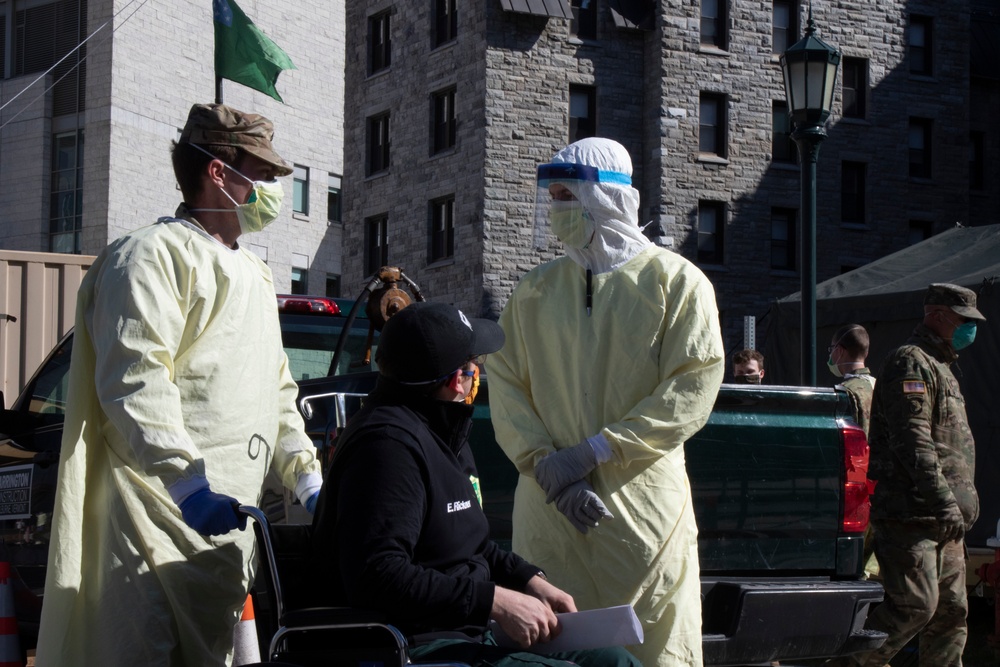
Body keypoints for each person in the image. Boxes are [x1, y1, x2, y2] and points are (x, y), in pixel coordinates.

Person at [36, 103, 323, 667]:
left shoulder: (256, 274)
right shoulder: (149, 256)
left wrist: (306, 475)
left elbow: (276, 390)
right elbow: (135, 378)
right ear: (219, 172)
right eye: (261, 175)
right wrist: (188, 486)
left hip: (225, 538)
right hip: (152, 521)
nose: (271, 191)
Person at [488, 137, 726, 667]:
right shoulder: (534, 290)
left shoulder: (677, 283)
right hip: (549, 519)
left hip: (638, 518)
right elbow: (503, 382)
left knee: (653, 648)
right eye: (551, 198)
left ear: (605, 198)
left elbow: (691, 387)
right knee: (556, 652)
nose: (555, 211)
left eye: (565, 196)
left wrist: (597, 451)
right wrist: (545, 465)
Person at [310, 301, 640, 667]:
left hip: (468, 630)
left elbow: (471, 546)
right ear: (456, 380)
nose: (477, 375)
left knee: (615, 660)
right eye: (473, 367)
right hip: (415, 644)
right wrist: (495, 602)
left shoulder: (444, 432)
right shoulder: (387, 447)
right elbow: (377, 576)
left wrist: (530, 580)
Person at [838, 283, 985, 667]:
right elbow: (913, 440)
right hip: (913, 514)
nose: (970, 329)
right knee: (914, 607)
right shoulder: (911, 361)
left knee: (951, 614)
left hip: (944, 522)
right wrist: (943, 501)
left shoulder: (943, 367)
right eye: (963, 320)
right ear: (937, 316)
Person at [827, 324, 875, 435]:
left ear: (839, 351)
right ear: (866, 353)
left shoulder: (845, 392)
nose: (830, 355)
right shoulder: (879, 384)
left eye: (832, 349)